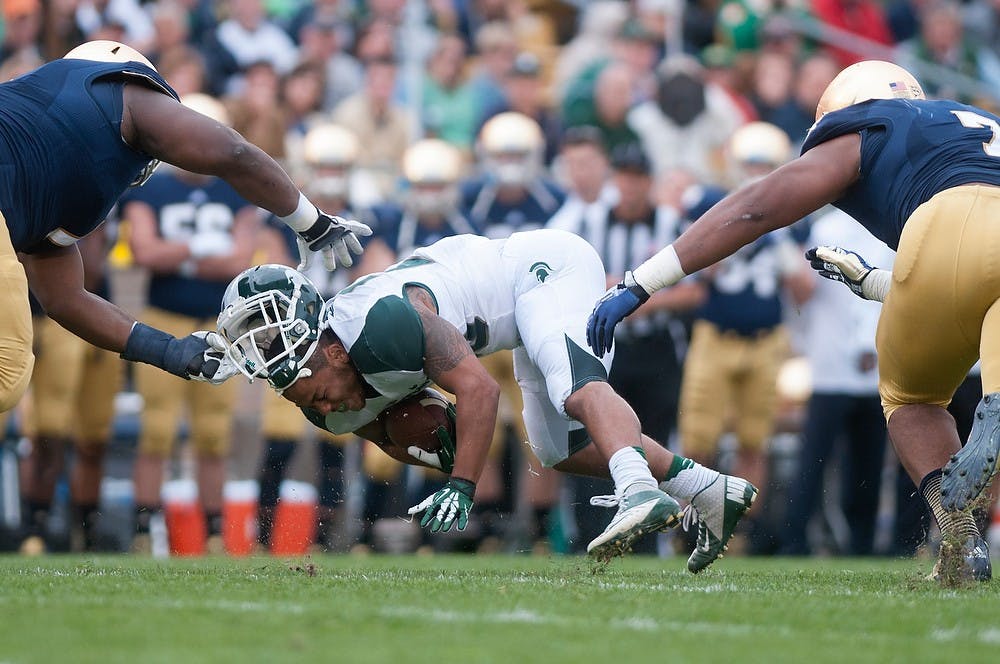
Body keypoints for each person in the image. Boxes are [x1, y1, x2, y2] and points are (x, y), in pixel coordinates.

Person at [587, 59, 996, 581]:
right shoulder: (974, 121)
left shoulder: (874, 126)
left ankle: (962, 538)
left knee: (913, 402)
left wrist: (641, 281)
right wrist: (873, 282)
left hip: (945, 227)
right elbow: (975, 273)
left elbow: (760, 206)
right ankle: (994, 408)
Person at [217, 230, 758, 573]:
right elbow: (407, 434)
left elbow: (480, 391)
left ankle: (638, 491)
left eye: (316, 395)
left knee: (573, 388)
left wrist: (461, 485)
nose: (325, 410)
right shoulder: (328, 398)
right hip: (511, 320)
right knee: (555, 450)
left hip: (542, 270)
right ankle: (709, 489)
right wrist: (437, 453)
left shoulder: (378, 327)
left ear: (332, 353)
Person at [0, 40, 370, 419]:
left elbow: (64, 299)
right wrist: (311, 220)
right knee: (7, 374)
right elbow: (232, 152)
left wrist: (169, 351)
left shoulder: (47, 166)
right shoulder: (122, 96)